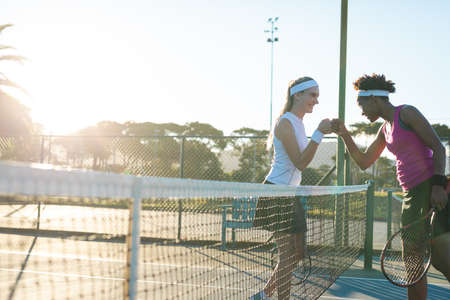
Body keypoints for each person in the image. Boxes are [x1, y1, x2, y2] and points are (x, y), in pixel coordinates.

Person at [331, 74, 449, 300]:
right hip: (411, 195)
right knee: (413, 260)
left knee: (436, 258)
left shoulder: (407, 113)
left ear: (374, 98)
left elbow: (438, 148)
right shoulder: (385, 129)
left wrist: (437, 186)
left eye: (361, 104)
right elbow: (364, 162)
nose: (362, 111)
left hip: (429, 188)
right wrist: (344, 134)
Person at [250, 76, 333, 300]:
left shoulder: (298, 122)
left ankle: (263, 295)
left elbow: (301, 163)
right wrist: (319, 133)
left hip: (290, 193)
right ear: (297, 95)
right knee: (286, 255)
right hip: (277, 192)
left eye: (317, 96)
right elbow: (300, 162)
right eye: (312, 95)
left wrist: (318, 132)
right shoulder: (285, 122)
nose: (316, 101)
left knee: (297, 253)